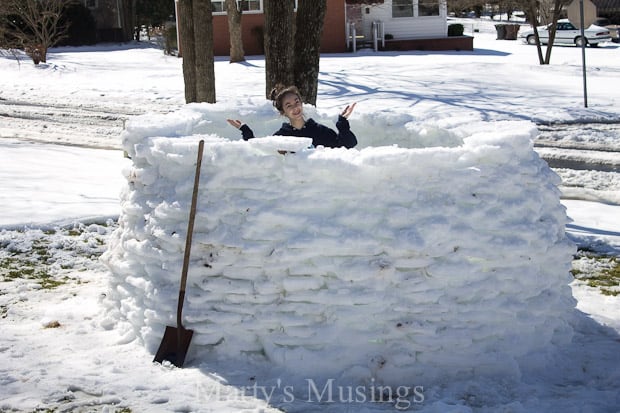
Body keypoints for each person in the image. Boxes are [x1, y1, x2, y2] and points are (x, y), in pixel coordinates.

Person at [227, 85, 357, 149]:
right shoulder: (281, 137)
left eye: (296, 102)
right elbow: (259, 151)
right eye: (288, 105)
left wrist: (342, 123)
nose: (295, 107)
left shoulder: (320, 131)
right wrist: (245, 130)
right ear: (283, 111)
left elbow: (347, 146)